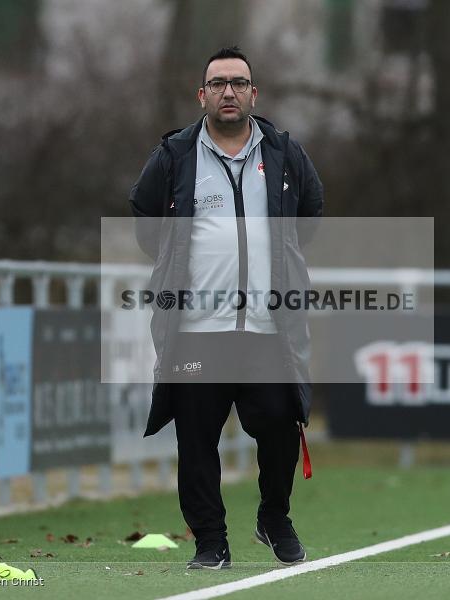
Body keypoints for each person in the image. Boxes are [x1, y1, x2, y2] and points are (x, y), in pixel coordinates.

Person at [129, 46, 323, 569]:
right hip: (196, 330)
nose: (229, 92)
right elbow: (145, 220)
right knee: (196, 441)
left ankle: (273, 517)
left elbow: (310, 215)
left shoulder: (284, 151)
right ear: (202, 95)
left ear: (253, 94)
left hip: (266, 328)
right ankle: (210, 541)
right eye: (218, 84)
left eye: (239, 83)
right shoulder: (174, 154)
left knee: (283, 424)